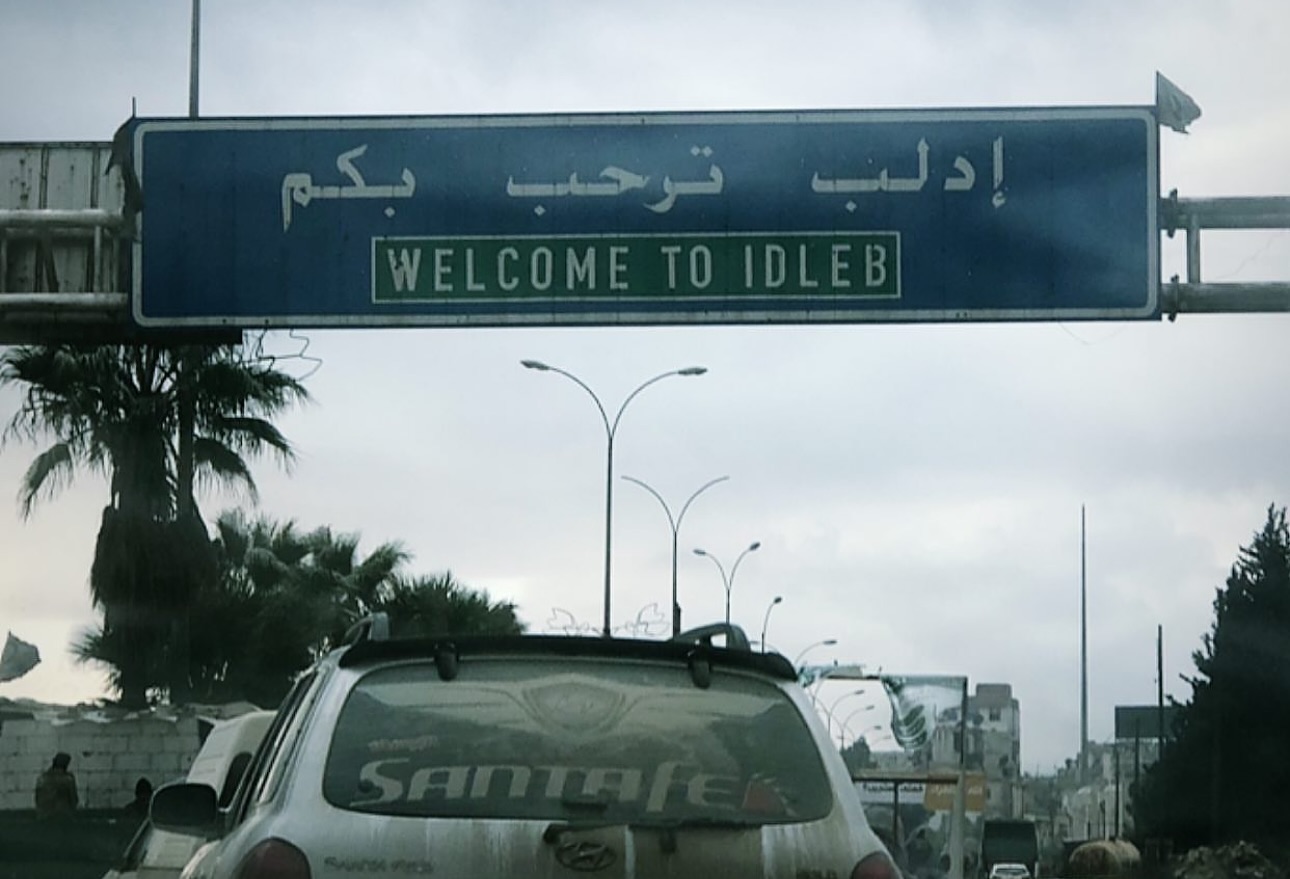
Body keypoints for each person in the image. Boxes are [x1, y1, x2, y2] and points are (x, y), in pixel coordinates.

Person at [34, 752, 79, 819]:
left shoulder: (41, 778)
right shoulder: (68, 779)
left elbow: (37, 799)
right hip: (64, 817)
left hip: (44, 817)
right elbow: (74, 800)